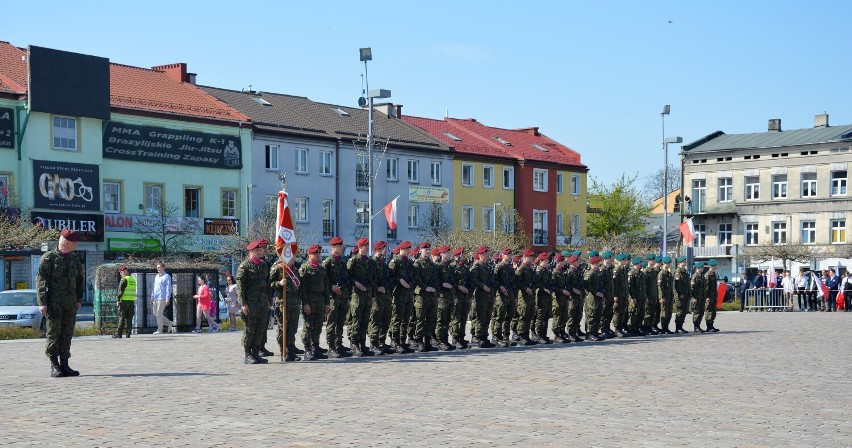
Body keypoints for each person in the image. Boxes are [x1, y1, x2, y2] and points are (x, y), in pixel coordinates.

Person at [37, 229, 84, 377]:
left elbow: (79, 280)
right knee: (54, 333)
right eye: (74, 241)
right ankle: (54, 365)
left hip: (70, 303)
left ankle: (65, 364)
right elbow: (41, 282)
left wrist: (78, 299)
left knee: (67, 333)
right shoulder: (48, 258)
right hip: (54, 303)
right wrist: (42, 302)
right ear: (66, 242)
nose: (76, 244)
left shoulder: (74, 259)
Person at [236, 239, 270, 364]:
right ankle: (247, 354)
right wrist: (243, 303)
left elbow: (267, 284)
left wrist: (268, 299)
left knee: (260, 328)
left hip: (262, 302)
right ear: (251, 251)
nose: (260, 252)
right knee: (249, 329)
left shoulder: (263, 265)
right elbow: (240, 287)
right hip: (250, 303)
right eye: (257, 250)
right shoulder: (244, 266)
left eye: (260, 250)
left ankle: (256, 353)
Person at [298, 244, 330, 361]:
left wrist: (327, 302)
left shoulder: (322, 269)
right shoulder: (304, 269)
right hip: (310, 299)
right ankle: (307, 349)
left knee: (318, 325)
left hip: (320, 300)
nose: (318, 255)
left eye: (319, 253)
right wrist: (305, 303)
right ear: (309, 255)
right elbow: (302, 288)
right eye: (315, 253)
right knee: (308, 325)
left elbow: (326, 287)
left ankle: (315, 348)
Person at [323, 236, 352, 358]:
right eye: (339, 246)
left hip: (343, 296)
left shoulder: (343, 262)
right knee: (331, 322)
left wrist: (348, 296)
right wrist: (332, 287)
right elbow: (323, 280)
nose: (341, 248)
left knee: (340, 322)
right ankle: (331, 346)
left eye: (341, 246)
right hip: (332, 297)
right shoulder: (328, 262)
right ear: (333, 247)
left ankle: (338, 343)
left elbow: (347, 279)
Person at [347, 237, 375, 357]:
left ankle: (363, 344)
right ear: (359, 247)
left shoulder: (370, 262)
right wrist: (355, 283)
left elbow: (373, 280)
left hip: (367, 295)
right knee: (356, 320)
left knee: (365, 320)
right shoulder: (353, 261)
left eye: (368, 246)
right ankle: (354, 344)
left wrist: (373, 295)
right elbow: (347, 277)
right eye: (364, 246)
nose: (366, 248)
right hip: (357, 296)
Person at [269, 259, 302, 362]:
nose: (294, 258)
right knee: (283, 327)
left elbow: (298, 285)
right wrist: (279, 283)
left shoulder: (295, 270)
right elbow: (270, 283)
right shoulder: (278, 268)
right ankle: (284, 350)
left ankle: (291, 349)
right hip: (283, 302)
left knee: (293, 327)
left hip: (294, 302)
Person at [389, 241, 416, 353]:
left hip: (408, 295)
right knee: (397, 319)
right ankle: (395, 341)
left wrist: (411, 285)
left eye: (409, 249)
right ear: (401, 249)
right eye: (407, 249)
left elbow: (414, 277)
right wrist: (399, 280)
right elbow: (390, 278)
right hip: (399, 295)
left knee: (406, 319)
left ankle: (402, 341)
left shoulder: (409, 263)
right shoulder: (395, 262)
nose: (409, 251)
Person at [368, 241, 393, 354]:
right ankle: (374, 343)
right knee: (375, 320)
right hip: (377, 296)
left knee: (385, 319)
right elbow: (370, 279)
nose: (385, 250)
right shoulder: (372, 263)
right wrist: (377, 288)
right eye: (383, 248)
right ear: (377, 250)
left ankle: (381, 342)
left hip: (386, 296)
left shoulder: (383, 263)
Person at [468, 246, 495, 348]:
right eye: (485, 254)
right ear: (480, 255)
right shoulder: (476, 267)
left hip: (488, 296)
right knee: (480, 317)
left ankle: (484, 337)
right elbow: (473, 280)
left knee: (487, 317)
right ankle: (478, 337)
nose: (487, 255)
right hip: (479, 296)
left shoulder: (488, 267)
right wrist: (483, 286)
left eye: (487, 254)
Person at [150, 262, 173, 334]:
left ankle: (160, 330)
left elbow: (168, 288)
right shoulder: (156, 276)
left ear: (163, 268)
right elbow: (154, 287)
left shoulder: (167, 276)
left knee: (159, 313)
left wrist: (167, 298)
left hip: (162, 297)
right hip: (155, 297)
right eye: (157, 267)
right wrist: (152, 296)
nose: (158, 269)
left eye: (159, 267)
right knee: (155, 313)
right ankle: (169, 323)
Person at [114, 266, 136, 339]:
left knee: (122, 318)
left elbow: (120, 291)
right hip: (131, 301)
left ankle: (118, 334)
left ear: (126, 271)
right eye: (120, 272)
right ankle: (128, 334)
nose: (121, 273)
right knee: (129, 319)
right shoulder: (133, 279)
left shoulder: (124, 279)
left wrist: (118, 300)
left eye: (121, 271)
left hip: (124, 301)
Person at [672, 256, 691, 334]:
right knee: (680, 311)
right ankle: (678, 328)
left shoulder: (685, 272)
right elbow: (677, 285)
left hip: (686, 294)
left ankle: (681, 326)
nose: (685, 262)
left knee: (684, 311)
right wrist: (680, 294)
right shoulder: (677, 272)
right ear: (680, 262)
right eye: (684, 261)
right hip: (680, 295)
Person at [657, 256, 674, 334]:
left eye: (669, 263)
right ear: (663, 263)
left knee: (669, 312)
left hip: (669, 296)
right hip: (664, 296)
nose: (668, 264)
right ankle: (664, 328)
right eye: (667, 263)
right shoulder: (661, 274)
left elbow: (671, 286)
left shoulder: (669, 274)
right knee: (664, 312)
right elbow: (660, 287)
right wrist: (661, 297)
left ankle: (666, 327)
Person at [704, 259, 720, 332]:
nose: (715, 267)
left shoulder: (714, 274)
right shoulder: (708, 275)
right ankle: (708, 326)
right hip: (709, 296)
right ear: (711, 266)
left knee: (713, 311)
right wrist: (706, 297)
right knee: (709, 311)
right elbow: (706, 287)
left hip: (713, 296)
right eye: (714, 266)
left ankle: (711, 325)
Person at [690, 262, 706, 333]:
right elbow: (691, 288)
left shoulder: (701, 276)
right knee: (696, 312)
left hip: (701, 297)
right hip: (696, 298)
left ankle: (698, 325)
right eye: (701, 267)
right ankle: (696, 327)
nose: (702, 268)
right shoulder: (695, 277)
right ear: (697, 268)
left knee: (701, 312)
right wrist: (693, 298)